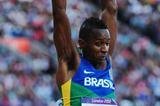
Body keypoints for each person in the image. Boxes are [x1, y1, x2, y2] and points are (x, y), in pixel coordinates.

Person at [52, 0, 117, 106]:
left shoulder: (106, 62)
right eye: (98, 44)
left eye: (107, 43)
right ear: (82, 43)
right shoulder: (71, 61)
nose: (105, 49)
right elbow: (59, 13)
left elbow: (111, 10)